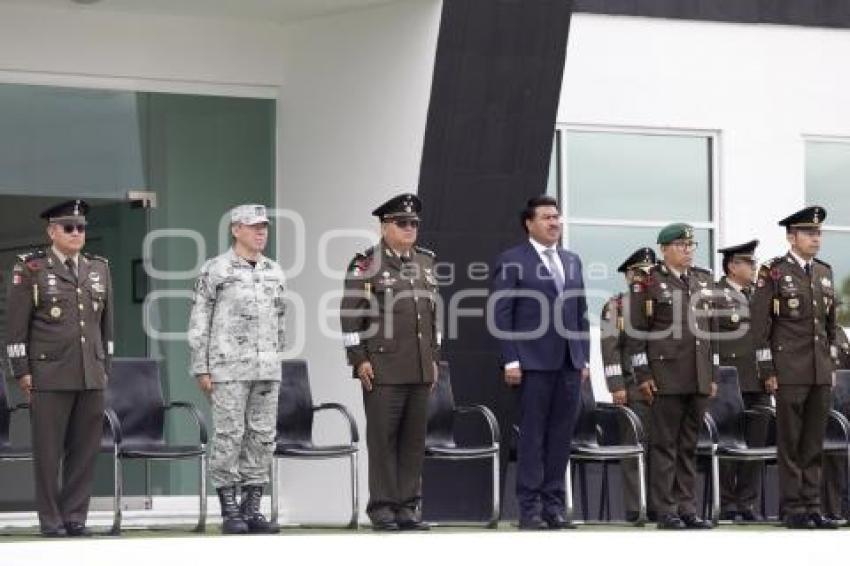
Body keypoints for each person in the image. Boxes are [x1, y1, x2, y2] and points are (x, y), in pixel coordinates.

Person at [5, 199, 113, 537]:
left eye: (81, 227)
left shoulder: (98, 267)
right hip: (48, 375)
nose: (77, 233)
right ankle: (51, 520)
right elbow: (16, 328)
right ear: (52, 231)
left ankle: (75, 516)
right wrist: (21, 370)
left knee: (84, 451)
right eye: (69, 227)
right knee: (49, 453)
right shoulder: (32, 268)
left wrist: (104, 365)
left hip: (90, 373)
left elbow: (107, 325)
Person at [339, 193, 440, 531]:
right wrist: (358, 359)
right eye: (402, 223)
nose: (410, 228)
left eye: (414, 223)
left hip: (420, 367)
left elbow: (432, 317)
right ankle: (382, 507)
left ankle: (408, 507)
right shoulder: (366, 264)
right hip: (382, 367)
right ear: (384, 226)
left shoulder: (425, 262)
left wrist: (434, 359)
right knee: (383, 440)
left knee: (413, 441)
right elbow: (351, 317)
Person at [491, 195, 590, 530]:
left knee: (561, 436)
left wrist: (583, 358)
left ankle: (554, 507)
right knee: (532, 438)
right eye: (547, 217)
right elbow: (501, 315)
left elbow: (579, 313)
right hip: (531, 364)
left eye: (557, 217)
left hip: (568, 363)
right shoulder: (512, 260)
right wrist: (510, 361)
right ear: (529, 223)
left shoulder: (572, 260)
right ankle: (530, 509)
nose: (554, 223)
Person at [188, 204, 286, 535]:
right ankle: (229, 508)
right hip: (227, 368)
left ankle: (252, 507)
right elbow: (199, 320)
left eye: (265, 227)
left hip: (266, 368)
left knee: (262, 438)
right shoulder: (216, 270)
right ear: (235, 229)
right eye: (254, 226)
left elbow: (280, 320)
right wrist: (201, 366)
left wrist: (276, 359)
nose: (261, 232)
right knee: (229, 436)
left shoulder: (274, 271)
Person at [751, 205, 840, 529]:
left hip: (818, 371)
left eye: (818, 233)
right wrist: (767, 371)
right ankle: (793, 508)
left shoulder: (824, 272)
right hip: (788, 370)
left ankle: (813, 505)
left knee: (813, 441)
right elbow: (760, 328)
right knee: (790, 442)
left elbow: (831, 327)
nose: (816, 239)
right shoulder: (772, 272)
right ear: (792, 237)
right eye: (808, 233)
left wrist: (830, 364)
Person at [625, 223, 718, 530]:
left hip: (697, 375)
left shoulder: (702, 280)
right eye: (681, 245)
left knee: (688, 445)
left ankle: (687, 507)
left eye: (691, 245)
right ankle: (665, 509)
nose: (688, 250)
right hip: (665, 375)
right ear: (664, 249)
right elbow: (637, 334)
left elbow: (711, 332)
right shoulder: (648, 281)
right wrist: (643, 374)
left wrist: (712, 373)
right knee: (664, 445)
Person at [715, 239, 771, 523]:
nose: (754, 267)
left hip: (760, 381)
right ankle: (726, 502)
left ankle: (748, 503)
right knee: (728, 444)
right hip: (729, 384)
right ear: (732, 266)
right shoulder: (713, 295)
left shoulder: (760, 295)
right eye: (748, 262)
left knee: (756, 444)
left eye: (753, 261)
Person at [600, 246, 656, 522]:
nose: (645, 278)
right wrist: (616, 386)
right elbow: (610, 349)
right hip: (632, 387)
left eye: (650, 272)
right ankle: (637, 507)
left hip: (663, 388)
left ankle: (660, 506)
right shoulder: (616, 306)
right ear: (629, 277)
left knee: (662, 450)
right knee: (635, 450)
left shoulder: (660, 302)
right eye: (640, 273)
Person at [822, 323, 850, 521]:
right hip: (824, 409)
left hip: (844, 408)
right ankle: (833, 510)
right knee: (832, 450)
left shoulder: (839, 332)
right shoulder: (802, 329)